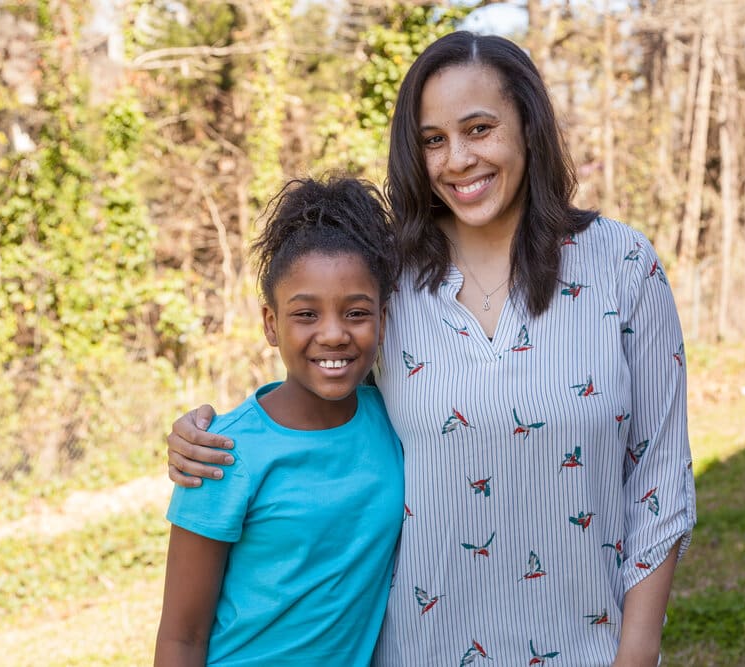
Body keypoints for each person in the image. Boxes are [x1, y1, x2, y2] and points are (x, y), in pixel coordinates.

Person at [167, 31, 696, 666]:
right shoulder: (392, 275)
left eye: (479, 129)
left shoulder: (623, 265)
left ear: (527, 125)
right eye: (433, 140)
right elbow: (321, 381)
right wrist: (204, 434)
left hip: (588, 647)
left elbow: (660, 481)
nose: (456, 160)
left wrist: (634, 658)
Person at [154, 177, 404, 666]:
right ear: (271, 324)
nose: (333, 334)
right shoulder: (222, 453)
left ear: (384, 318)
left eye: (356, 312)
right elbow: (181, 636)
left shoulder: (394, 417)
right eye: (305, 314)